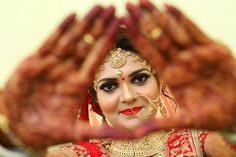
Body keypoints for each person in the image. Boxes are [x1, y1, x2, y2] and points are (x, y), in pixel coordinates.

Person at [0, 0, 236, 156]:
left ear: (160, 81)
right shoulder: (75, 155)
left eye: (140, 79)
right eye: (109, 86)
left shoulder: (205, 144)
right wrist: (18, 142)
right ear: (95, 97)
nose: (128, 96)